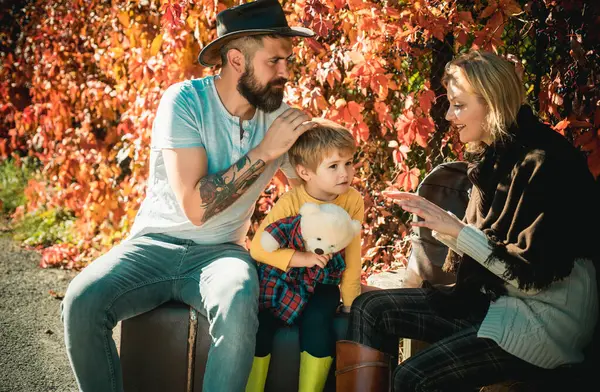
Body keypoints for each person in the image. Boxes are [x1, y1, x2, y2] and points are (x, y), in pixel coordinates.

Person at [60, 1, 317, 391]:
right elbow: (195, 208)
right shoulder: (184, 102)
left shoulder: (278, 117)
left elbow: (313, 192)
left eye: (289, 62)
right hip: (152, 245)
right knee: (81, 300)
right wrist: (265, 151)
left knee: (238, 295)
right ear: (236, 60)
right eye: (274, 62)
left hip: (221, 254)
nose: (286, 72)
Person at [340, 50, 600, 391]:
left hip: (543, 322)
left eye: (459, 105)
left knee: (413, 378)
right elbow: (486, 247)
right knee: (370, 308)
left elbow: (532, 279)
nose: (449, 115)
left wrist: (458, 232)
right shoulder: (496, 156)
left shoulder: (545, 163)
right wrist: (447, 226)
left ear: (491, 103)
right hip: (494, 303)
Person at [246, 119, 364, 392]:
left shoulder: (352, 200)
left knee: (318, 323)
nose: (344, 173)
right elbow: (259, 248)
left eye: (349, 163)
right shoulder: (291, 202)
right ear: (305, 172)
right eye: (333, 166)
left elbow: (352, 256)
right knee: (261, 325)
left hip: (322, 281)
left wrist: (351, 304)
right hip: (284, 279)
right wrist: (302, 259)